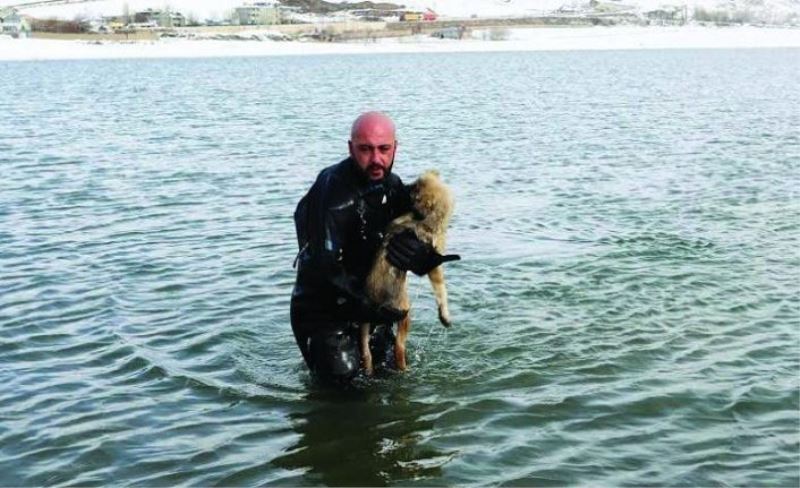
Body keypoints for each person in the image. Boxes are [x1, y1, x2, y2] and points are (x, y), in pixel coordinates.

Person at [290, 112, 459, 383]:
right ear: (350, 148)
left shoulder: (392, 186)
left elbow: (422, 229)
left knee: (392, 377)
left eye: (384, 149)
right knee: (345, 385)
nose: (376, 159)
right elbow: (325, 267)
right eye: (365, 150)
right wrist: (367, 306)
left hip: (371, 303)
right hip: (322, 311)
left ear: (395, 148)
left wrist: (424, 258)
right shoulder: (333, 192)